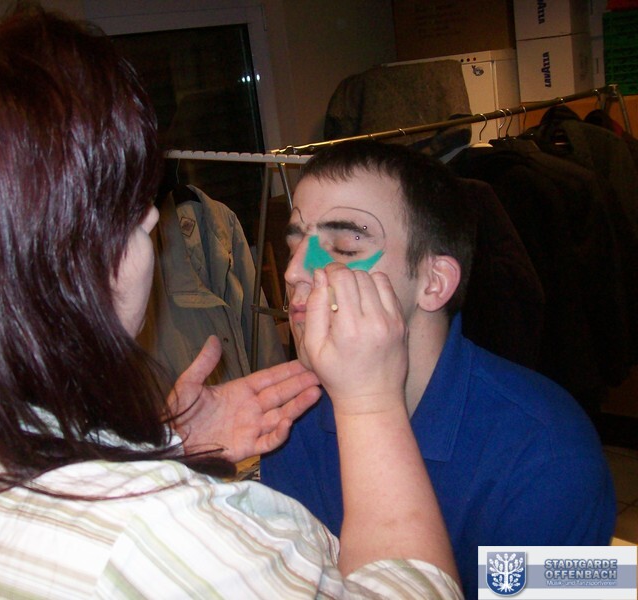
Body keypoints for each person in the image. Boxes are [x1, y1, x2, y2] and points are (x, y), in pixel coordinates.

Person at [0, 6, 461, 599]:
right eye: (136, 216)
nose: (298, 272)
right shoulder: (151, 536)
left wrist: (164, 443)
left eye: (344, 247)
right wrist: (371, 403)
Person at [261, 139, 617, 598]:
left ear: (434, 282)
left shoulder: (554, 455)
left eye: (345, 246)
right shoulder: (291, 421)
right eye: (295, 242)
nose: (293, 272)